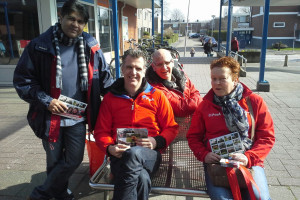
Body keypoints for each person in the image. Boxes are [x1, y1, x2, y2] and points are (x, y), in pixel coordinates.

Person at [13, 0, 114, 199]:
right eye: (71, 19)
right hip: (50, 116)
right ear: (61, 16)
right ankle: (59, 192)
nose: (75, 24)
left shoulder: (90, 46)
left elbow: (104, 79)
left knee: (74, 159)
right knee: (54, 160)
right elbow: (23, 81)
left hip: (77, 116)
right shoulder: (39, 46)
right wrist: (46, 100)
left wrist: (129, 92)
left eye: (80, 21)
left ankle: (45, 192)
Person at [94, 49, 179, 200]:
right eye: (129, 67)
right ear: (122, 68)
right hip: (119, 156)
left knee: (134, 153)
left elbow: (171, 127)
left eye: (138, 68)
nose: (133, 72)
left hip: (150, 155)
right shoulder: (110, 98)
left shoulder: (157, 95)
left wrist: (156, 141)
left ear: (145, 70)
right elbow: (101, 132)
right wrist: (110, 148)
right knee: (142, 179)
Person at [187, 56, 275, 200]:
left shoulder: (254, 102)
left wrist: (248, 158)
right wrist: (204, 155)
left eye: (222, 79)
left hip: (249, 161)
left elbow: (267, 137)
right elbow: (193, 137)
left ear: (235, 80)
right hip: (217, 164)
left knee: (259, 197)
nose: (216, 83)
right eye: (213, 78)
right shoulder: (205, 106)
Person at [146, 49, 202, 117]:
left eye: (167, 63)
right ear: (153, 67)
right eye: (159, 64)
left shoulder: (182, 76)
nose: (164, 68)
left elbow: (195, 92)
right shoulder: (153, 88)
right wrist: (199, 101)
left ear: (172, 62)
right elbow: (181, 109)